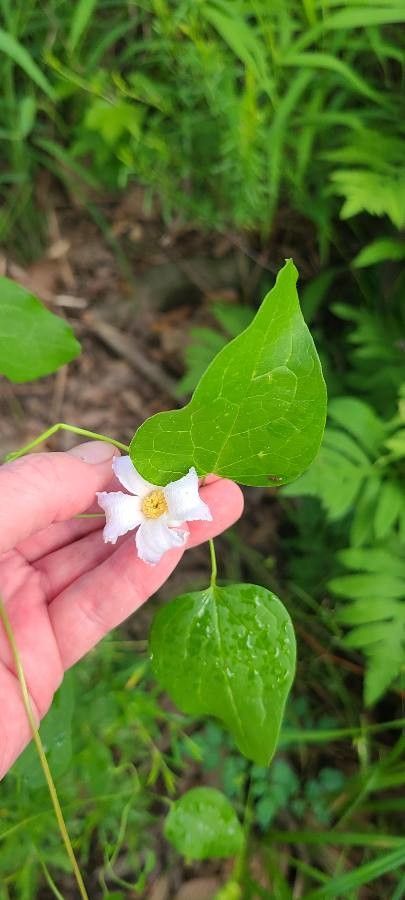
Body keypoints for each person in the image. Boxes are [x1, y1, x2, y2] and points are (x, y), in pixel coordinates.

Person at [0, 441, 243, 779]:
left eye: (157, 502)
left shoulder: (171, 499)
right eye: (154, 502)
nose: (155, 504)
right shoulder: (137, 496)